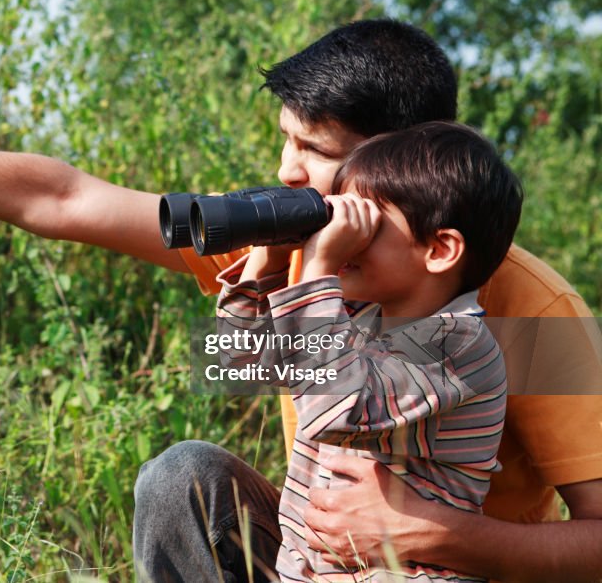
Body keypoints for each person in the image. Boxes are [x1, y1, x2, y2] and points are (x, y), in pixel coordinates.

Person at [0, 20, 602, 581]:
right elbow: (62, 198)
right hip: (317, 559)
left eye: (313, 151)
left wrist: (432, 534)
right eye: (282, 140)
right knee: (183, 478)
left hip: (445, 570)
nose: (283, 172)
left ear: (397, 161)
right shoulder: (286, 239)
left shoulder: (526, 311)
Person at [214, 122, 519, 582]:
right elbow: (238, 360)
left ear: (439, 249)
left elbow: (333, 410)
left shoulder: (459, 344)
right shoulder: (359, 322)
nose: (345, 235)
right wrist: (270, 263)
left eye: (367, 222)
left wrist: (318, 268)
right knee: (185, 469)